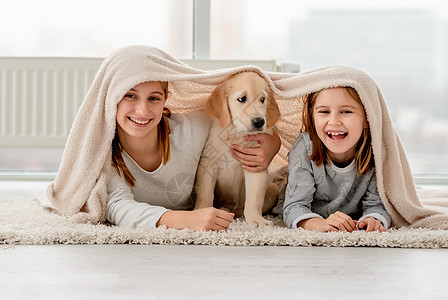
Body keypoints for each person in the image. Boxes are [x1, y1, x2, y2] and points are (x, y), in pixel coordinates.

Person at [107, 80, 281, 231]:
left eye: (154, 98)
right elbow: (116, 206)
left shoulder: (191, 129)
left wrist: (274, 142)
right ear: (112, 97)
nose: (143, 111)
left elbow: (236, 117)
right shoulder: (105, 152)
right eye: (130, 96)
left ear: (165, 99)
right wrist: (184, 220)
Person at [283, 86, 391, 232]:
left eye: (346, 111)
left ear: (367, 118)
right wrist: (317, 224)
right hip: (311, 211)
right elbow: (294, 207)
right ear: (312, 117)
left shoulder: (375, 149)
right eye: (324, 112)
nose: (334, 121)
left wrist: (373, 219)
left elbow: (378, 204)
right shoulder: (305, 146)